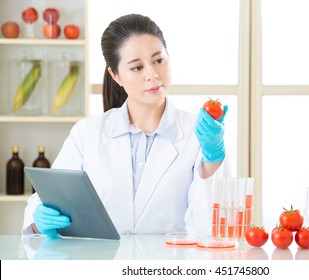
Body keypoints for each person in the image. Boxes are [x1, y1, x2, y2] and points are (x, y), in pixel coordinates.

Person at [22, 14, 230, 238]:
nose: (152, 75)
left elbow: (213, 227)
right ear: (115, 75)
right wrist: (38, 222)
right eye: (137, 67)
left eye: (159, 60)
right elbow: (48, 199)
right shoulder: (87, 133)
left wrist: (213, 162)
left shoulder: (198, 134)